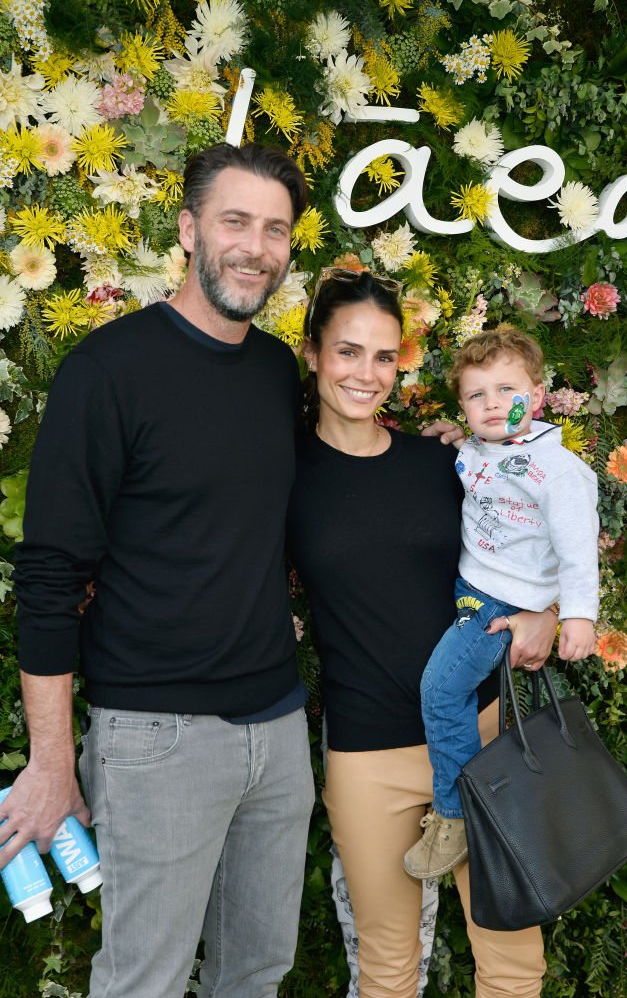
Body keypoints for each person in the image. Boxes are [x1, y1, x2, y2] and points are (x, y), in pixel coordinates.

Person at [6, 142, 316, 998]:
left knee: (257, 974)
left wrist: (464, 456)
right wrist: (49, 761)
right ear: (188, 231)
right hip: (156, 737)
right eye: (235, 222)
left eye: (276, 229)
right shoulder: (105, 374)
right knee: (144, 981)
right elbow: (48, 578)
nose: (257, 246)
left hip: (278, 732)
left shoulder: (275, 371)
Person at [286, 268, 556, 998]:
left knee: (511, 959)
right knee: (386, 967)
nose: (366, 374)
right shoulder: (283, 477)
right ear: (312, 353)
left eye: (383, 356)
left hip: (479, 738)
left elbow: (533, 548)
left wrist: (548, 614)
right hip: (366, 758)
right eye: (347, 352)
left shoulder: (446, 462)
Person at [403, 328, 599, 880]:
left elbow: (578, 547)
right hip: (473, 592)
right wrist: (452, 437)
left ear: (536, 396)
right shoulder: (483, 448)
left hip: (500, 606)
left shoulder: (555, 472)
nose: (491, 404)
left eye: (505, 390)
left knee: (441, 691)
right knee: (451, 690)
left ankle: (456, 813)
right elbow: (477, 462)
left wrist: (578, 615)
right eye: (475, 395)